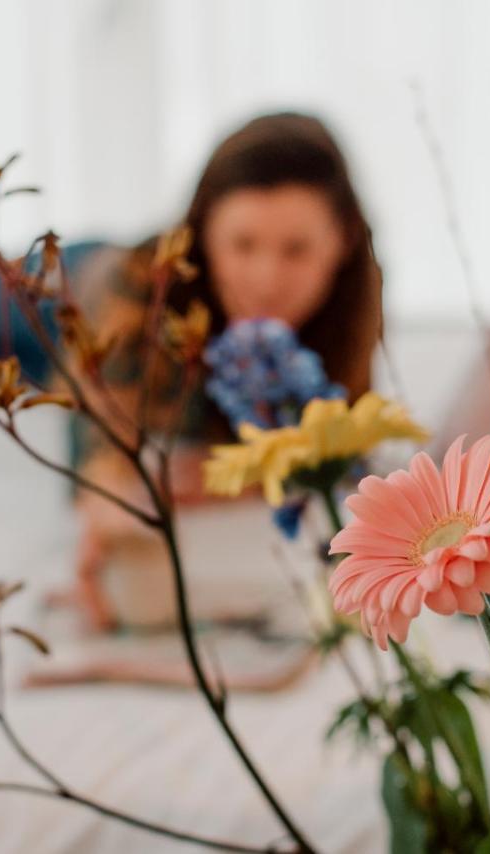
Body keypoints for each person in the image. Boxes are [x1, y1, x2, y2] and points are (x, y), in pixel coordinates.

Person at [61, 111, 384, 629]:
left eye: (296, 250)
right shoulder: (141, 287)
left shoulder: (355, 298)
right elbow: (102, 453)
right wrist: (107, 517)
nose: (266, 278)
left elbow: (342, 441)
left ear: (343, 241)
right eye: (243, 244)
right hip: (67, 282)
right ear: (202, 233)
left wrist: (233, 476)